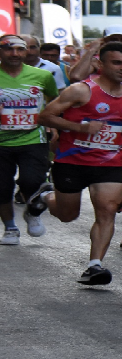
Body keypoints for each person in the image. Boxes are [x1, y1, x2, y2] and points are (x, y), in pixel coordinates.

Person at [33, 42, 122, 284]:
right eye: (117, 62)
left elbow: (118, 117)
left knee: (108, 210)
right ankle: (46, 197)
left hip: (108, 163)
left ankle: (94, 265)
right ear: (100, 64)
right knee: (67, 215)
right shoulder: (80, 90)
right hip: (72, 161)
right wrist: (80, 128)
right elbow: (44, 116)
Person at [0, 35, 59, 245]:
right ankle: (10, 228)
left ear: (26, 52)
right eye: (8, 49)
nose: (14, 54)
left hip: (33, 138)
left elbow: (55, 100)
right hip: (1, 143)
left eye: (19, 49)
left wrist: (52, 123)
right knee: (2, 189)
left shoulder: (42, 76)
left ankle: (32, 212)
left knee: (32, 182)